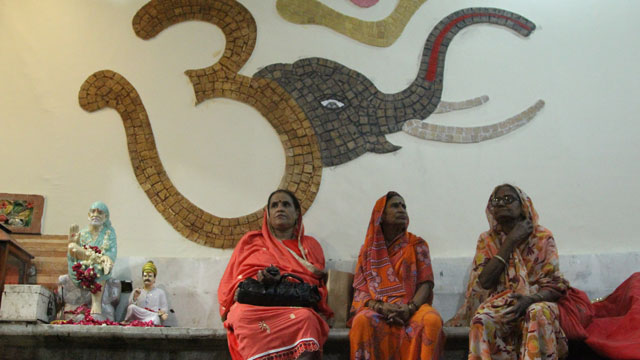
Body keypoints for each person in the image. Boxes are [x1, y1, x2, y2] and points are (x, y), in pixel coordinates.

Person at [446, 184, 569, 360]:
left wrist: (529, 300)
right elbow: (485, 282)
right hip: (502, 302)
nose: (502, 204)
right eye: (496, 200)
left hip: (538, 300)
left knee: (536, 312)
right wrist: (510, 241)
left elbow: (555, 284)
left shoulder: (542, 237)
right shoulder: (487, 239)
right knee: (481, 320)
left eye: (508, 199)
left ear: (523, 206)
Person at [218, 189, 333, 360]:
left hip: (293, 307)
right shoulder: (252, 241)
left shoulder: (309, 245)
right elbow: (234, 281)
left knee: (306, 318)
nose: (280, 208)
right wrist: (259, 279)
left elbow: (314, 283)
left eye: (286, 204)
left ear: (296, 214)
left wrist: (283, 281)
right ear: (268, 214)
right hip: (255, 307)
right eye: (274, 205)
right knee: (241, 316)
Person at [349, 191, 443, 360]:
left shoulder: (416, 244)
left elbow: (426, 283)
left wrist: (410, 308)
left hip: (412, 308)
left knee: (432, 320)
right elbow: (361, 292)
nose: (401, 209)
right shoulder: (367, 251)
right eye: (395, 205)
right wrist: (381, 307)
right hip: (379, 309)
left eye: (404, 206)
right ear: (381, 216)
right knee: (361, 321)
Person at [67, 201, 117, 318]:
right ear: (89, 215)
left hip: (99, 266)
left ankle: (96, 303)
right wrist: (73, 241)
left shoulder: (109, 233)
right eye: (93, 212)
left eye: (100, 212)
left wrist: (106, 257)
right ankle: (96, 259)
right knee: (71, 247)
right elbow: (74, 251)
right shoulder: (83, 232)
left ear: (105, 217)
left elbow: (111, 252)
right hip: (83, 263)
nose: (96, 214)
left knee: (99, 267)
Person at [124, 261, 169, 325]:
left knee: (155, 318)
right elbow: (129, 309)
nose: (147, 278)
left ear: (154, 278)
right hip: (138, 317)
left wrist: (162, 312)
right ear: (142, 277)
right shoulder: (137, 291)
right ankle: (127, 321)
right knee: (131, 307)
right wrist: (135, 298)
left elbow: (164, 308)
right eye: (145, 276)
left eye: (150, 276)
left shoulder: (160, 292)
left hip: (152, 316)